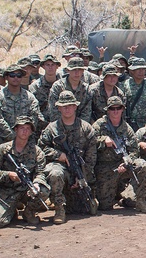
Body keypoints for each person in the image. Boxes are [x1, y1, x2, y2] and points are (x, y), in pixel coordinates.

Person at [39, 91, 98, 224]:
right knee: (55, 173)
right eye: (63, 106)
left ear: (75, 107)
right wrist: (57, 155)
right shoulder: (52, 129)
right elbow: (41, 149)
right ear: (58, 108)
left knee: (86, 210)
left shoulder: (86, 128)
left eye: (70, 105)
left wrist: (82, 176)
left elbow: (91, 158)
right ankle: (59, 209)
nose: (67, 109)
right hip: (60, 168)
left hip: (79, 170)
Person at [0, 116, 50, 227]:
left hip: (26, 190)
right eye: (21, 128)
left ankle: (29, 212)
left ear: (31, 132)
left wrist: (36, 183)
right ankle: (11, 210)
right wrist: (8, 175)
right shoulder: (3, 149)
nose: (24, 131)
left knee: (43, 190)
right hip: (6, 190)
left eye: (27, 128)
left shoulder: (37, 152)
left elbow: (40, 172)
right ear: (15, 129)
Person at [93, 96, 146, 213]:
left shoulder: (127, 128)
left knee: (144, 166)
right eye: (112, 108)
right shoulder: (99, 125)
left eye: (118, 108)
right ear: (108, 110)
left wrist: (127, 162)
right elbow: (89, 142)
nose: (115, 111)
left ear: (122, 109)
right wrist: (103, 141)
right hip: (106, 168)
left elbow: (134, 150)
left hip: (124, 164)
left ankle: (140, 201)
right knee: (105, 206)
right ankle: (119, 193)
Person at [0, 64, 44, 144]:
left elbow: (34, 118)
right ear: (6, 77)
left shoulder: (30, 97)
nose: (16, 78)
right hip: (5, 143)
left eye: (19, 75)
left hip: (27, 142)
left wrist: (23, 136)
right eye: (12, 75)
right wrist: (13, 137)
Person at [121, 57, 146, 132]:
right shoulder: (125, 85)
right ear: (132, 71)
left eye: (143, 69)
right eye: (138, 69)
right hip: (129, 123)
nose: (141, 72)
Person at [47, 58, 93, 123]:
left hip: (80, 126)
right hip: (60, 125)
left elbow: (86, 113)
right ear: (68, 70)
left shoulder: (86, 89)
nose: (77, 73)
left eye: (79, 69)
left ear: (83, 71)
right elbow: (53, 111)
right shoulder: (58, 86)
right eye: (74, 70)